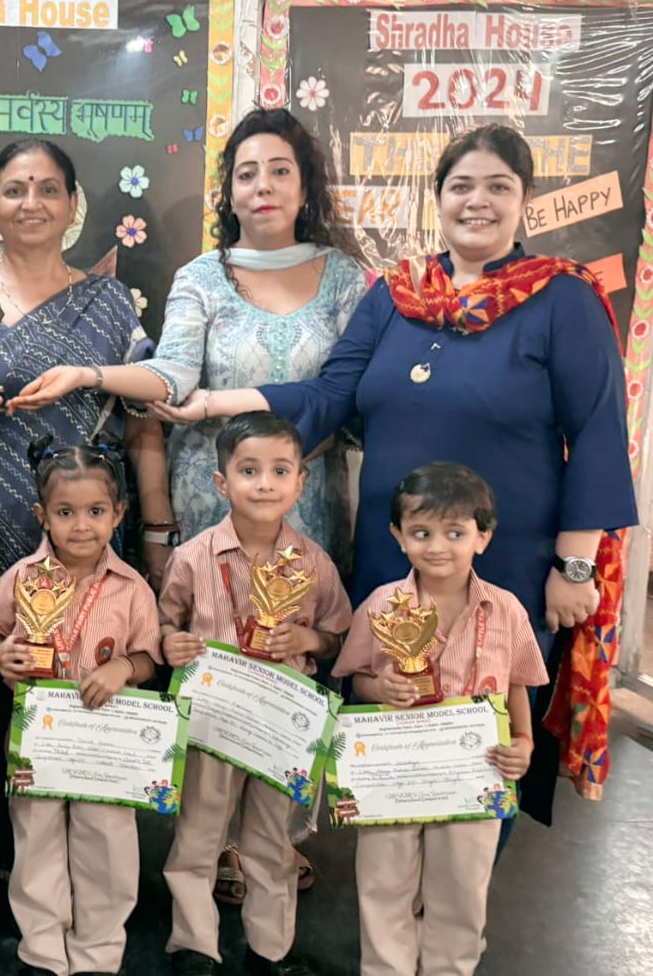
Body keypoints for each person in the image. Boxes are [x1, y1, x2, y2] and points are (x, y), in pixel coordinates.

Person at [147, 123, 636, 819]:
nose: (477, 201)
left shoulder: (562, 298)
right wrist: (212, 404)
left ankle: (460, 882)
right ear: (438, 198)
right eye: (461, 186)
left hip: (503, 565)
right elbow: (329, 395)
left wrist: (575, 566)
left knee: (478, 738)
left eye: (498, 186)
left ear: (524, 198)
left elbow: (596, 433)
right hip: (391, 559)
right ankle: (390, 880)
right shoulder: (399, 295)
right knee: (388, 729)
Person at [0, 137, 174, 869]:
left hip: (86, 537)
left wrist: (157, 529)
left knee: (85, 675)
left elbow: (152, 404)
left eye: (48, 188)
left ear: (71, 204)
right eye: (15, 189)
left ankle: (82, 856)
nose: (32, 203)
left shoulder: (108, 301)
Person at [9, 107, 365, 556]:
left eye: (280, 171)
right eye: (247, 175)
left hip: (306, 500)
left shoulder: (343, 278)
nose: (263, 186)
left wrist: (283, 463)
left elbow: (350, 398)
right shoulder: (201, 278)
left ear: (306, 187)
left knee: (301, 605)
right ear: (229, 194)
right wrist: (85, 375)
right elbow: (174, 376)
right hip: (212, 503)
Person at [333, 463, 547, 976]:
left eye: (455, 533)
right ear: (398, 535)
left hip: (475, 776)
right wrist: (379, 688)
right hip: (394, 776)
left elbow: (517, 683)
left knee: (461, 890)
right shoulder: (382, 605)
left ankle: (450, 967)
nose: (437, 547)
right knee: (384, 883)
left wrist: (524, 741)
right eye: (421, 532)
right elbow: (355, 678)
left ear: (483, 537)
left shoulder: (506, 610)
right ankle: (385, 968)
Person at [160, 414, 351, 976]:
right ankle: (194, 944)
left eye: (280, 471)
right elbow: (165, 622)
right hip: (213, 724)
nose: (265, 484)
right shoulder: (193, 557)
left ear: (301, 482)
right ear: (222, 482)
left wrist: (309, 639)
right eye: (249, 471)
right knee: (199, 836)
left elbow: (336, 637)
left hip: (279, 730)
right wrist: (170, 643)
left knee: (272, 842)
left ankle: (270, 950)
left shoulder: (315, 563)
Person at [0, 436, 160, 976]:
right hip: (36, 737)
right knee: (35, 840)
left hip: (106, 742)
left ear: (118, 514)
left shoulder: (132, 588)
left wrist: (122, 667)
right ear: (42, 516)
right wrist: (1, 655)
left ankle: (98, 951)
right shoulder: (19, 578)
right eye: (65, 513)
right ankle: (42, 949)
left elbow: (149, 657)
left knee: (107, 843)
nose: (81, 526)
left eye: (96, 511)